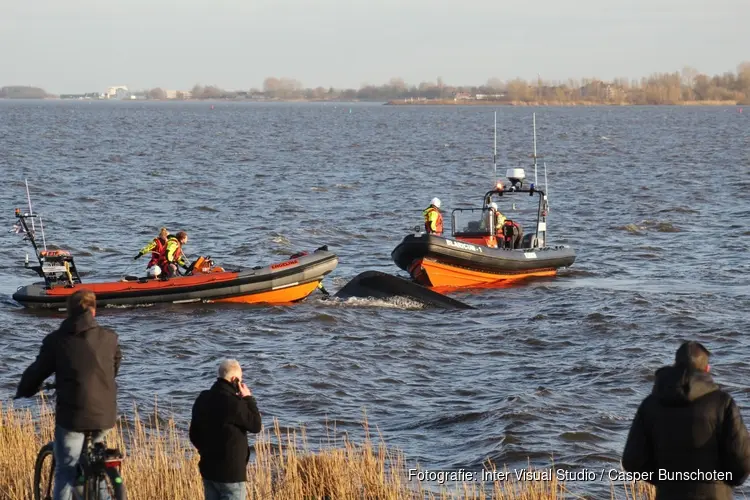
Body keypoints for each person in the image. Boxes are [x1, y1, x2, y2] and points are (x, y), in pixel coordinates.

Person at [15, 289, 122, 500]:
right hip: (105, 414)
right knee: (96, 465)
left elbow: (38, 371)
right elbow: (115, 365)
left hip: (73, 416)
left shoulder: (57, 340)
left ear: (69, 312)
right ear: (94, 311)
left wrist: (24, 391)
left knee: (66, 470)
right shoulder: (110, 338)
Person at [622, 341, 750, 500]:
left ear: (675, 365)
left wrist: (663, 479)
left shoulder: (650, 404)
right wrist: (729, 481)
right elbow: (743, 458)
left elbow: (632, 460)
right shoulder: (723, 403)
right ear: (707, 369)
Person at [189, 359, 262, 500]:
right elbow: (255, 425)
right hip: (231, 474)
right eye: (240, 380)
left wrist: (205, 451)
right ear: (234, 379)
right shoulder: (235, 403)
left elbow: (194, 434)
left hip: (209, 470)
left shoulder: (202, 398)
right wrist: (248, 399)